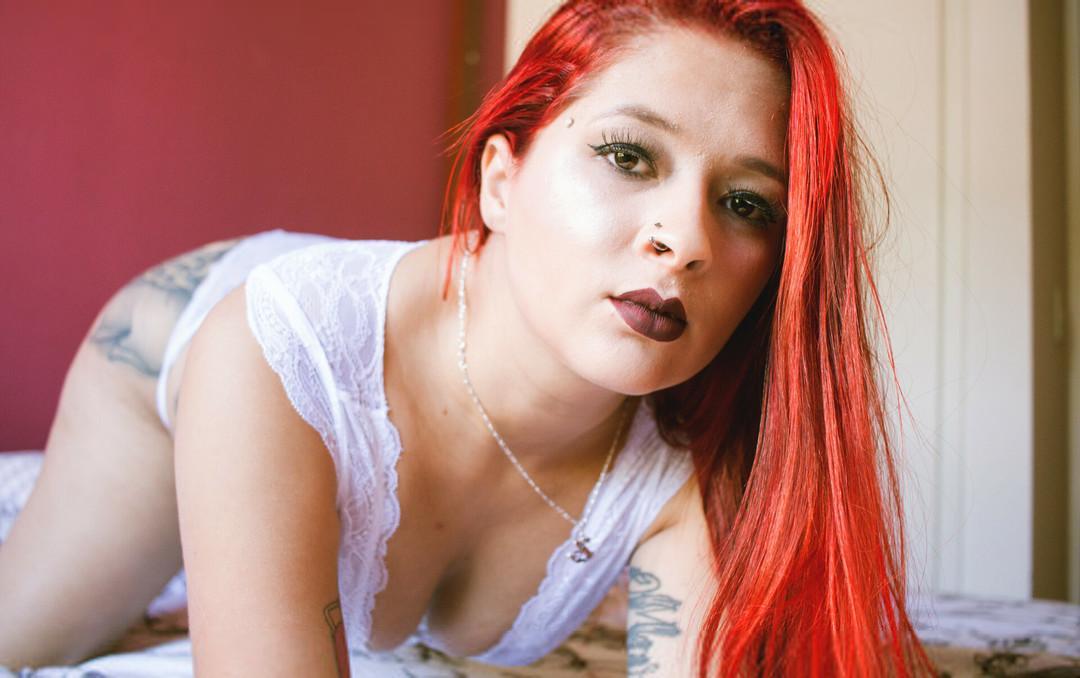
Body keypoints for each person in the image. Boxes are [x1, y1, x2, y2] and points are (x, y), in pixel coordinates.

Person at [0, 0, 937, 675]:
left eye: (746, 204)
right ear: (500, 180)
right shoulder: (274, 354)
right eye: (627, 155)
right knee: (26, 639)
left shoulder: (697, 467)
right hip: (180, 354)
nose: (685, 240)